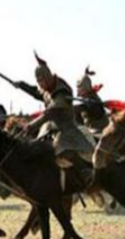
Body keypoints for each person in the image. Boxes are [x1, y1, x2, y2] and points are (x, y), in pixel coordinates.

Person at [15, 52, 95, 187]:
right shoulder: (48, 89)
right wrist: (21, 85)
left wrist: (31, 125)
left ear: (48, 77)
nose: (40, 84)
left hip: (67, 129)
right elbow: (37, 92)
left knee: (59, 150)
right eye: (38, 81)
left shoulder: (61, 92)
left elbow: (49, 113)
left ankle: (84, 171)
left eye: (42, 80)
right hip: (51, 128)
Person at [75, 66, 109, 133]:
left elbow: (82, 107)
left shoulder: (93, 99)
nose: (78, 89)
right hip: (90, 130)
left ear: (85, 87)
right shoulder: (85, 100)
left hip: (100, 131)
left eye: (79, 87)